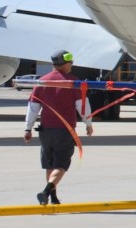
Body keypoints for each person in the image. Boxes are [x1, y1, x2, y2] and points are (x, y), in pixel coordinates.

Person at [23, 50, 92, 205]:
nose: (72, 65)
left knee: (50, 165)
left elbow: (33, 108)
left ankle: (52, 198)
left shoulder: (41, 81)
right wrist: (88, 124)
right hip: (65, 131)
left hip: (46, 131)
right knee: (61, 166)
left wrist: (27, 129)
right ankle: (46, 191)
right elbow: (83, 106)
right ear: (65, 63)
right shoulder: (73, 83)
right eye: (71, 62)